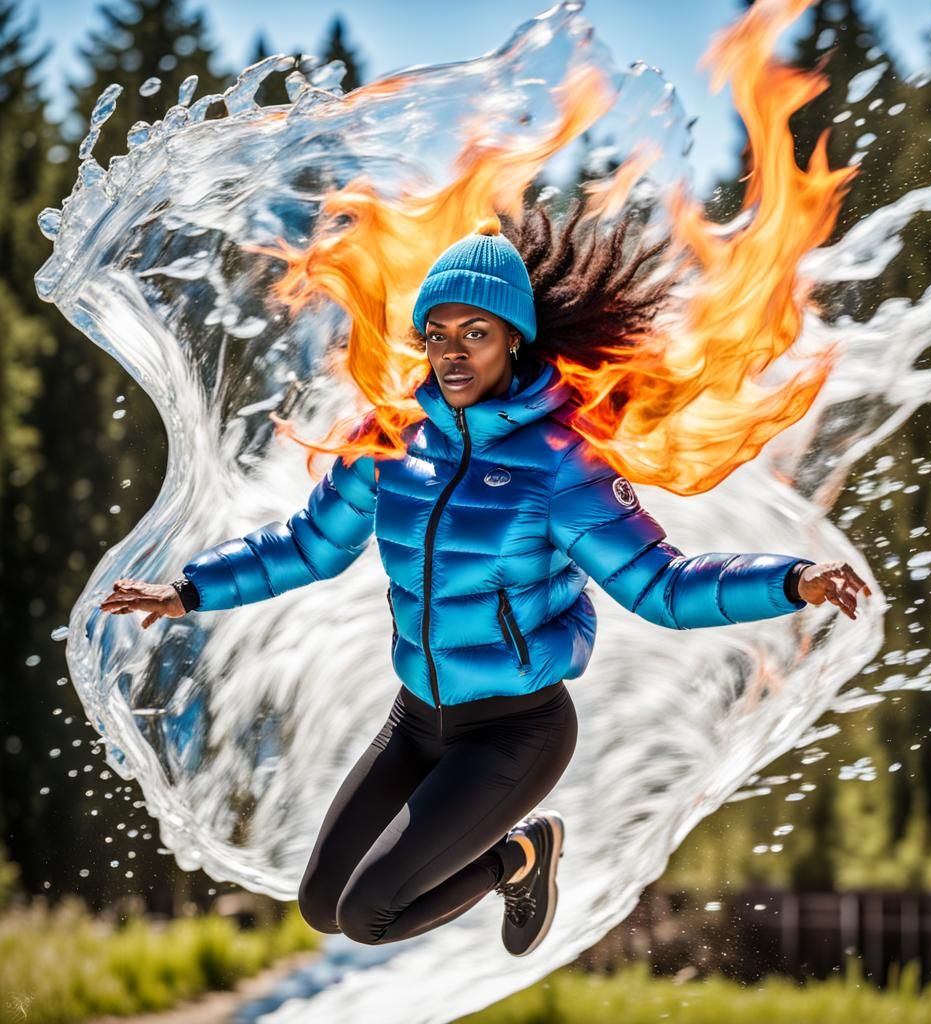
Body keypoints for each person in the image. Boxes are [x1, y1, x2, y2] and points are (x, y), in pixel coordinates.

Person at [100, 210, 871, 958]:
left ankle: (524, 857)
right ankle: (510, 856)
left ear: (514, 340)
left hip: (516, 730)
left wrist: (792, 580)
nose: (454, 354)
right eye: (439, 335)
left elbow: (662, 587)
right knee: (321, 906)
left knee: (371, 913)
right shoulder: (389, 445)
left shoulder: (561, 463)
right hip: (417, 720)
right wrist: (189, 591)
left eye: (476, 334)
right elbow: (307, 546)